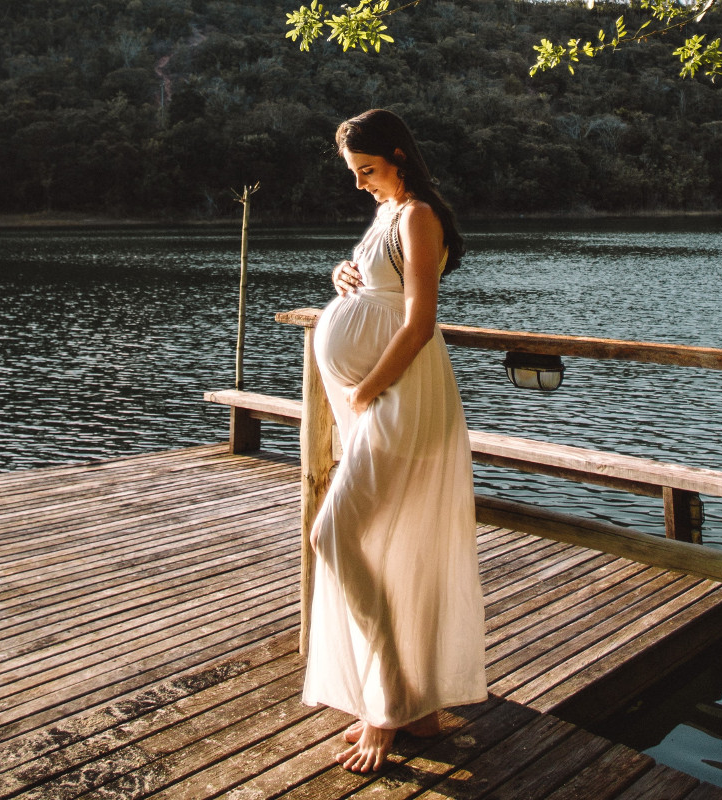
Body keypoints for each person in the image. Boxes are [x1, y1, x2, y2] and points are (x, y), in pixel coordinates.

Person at [301, 108, 487, 774]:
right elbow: (375, 285)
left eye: (368, 171)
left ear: (400, 156)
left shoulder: (417, 216)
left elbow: (418, 324)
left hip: (400, 402)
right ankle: (418, 704)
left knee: (334, 536)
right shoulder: (387, 215)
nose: (361, 185)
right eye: (355, 174)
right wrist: (340, 277)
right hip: (381, 404)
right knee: (385, 542)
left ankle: (387, 704)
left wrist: (364, 389)